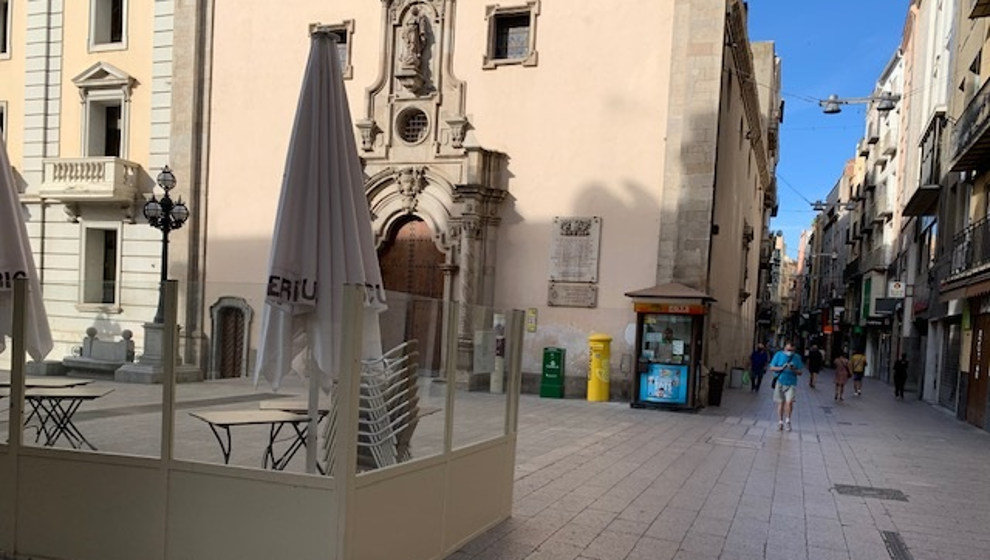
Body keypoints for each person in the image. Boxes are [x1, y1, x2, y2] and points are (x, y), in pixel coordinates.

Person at [769, 341, 804, 432]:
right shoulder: (778, 355)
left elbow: (800, 372)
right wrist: (781, 368)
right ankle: (780, 422)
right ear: (784, 348)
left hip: (791, 383)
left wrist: (793, 369)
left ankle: (788, 420)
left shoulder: (797, 357)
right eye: (788, 350)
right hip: (780, 381)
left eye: (792, 350)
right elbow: (771, 367)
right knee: (780, 402)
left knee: (789, 402)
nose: (790, 352)